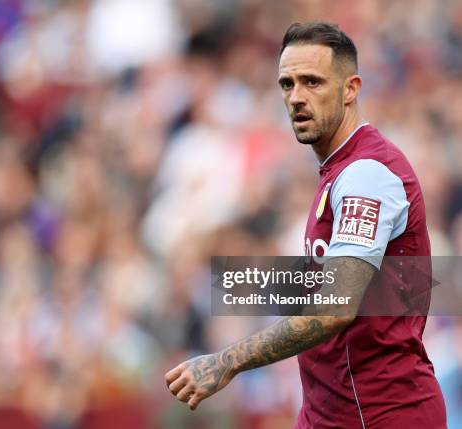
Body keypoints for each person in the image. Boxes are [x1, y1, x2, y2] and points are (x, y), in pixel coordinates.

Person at [164, 22, 447, 428]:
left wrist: (228, 362)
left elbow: (335, 308)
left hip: (380, 413)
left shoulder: (368, 173)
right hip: (330, 412)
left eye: (312, 82)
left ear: (351, 89)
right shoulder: (337, 170)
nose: (296, 97)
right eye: (287, 84)